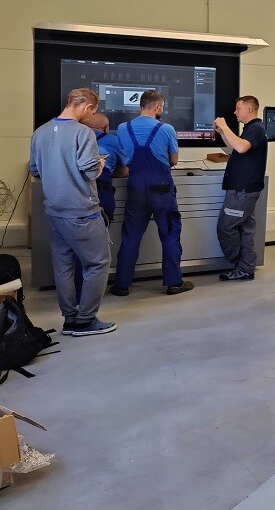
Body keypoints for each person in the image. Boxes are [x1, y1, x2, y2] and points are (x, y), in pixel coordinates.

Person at [28, 88, 117, 336]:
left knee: (63, 267)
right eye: (93, 112)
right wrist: (100, 163)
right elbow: (90, 171)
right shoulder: (83, 132)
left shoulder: (40, 132)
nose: (91, 117)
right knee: (98, 264)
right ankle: (86, 320)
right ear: (87, 107)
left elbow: (35, 171)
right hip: (82, 212)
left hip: (55, 211)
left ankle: (70, 319)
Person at [111, 90, 194, 296]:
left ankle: (121, 285)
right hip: (161, 188)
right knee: (170, 234)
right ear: (157, 106)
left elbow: (123, 159)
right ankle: (174, 283)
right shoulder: (166, 128)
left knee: (131, 236)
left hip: (135, 186)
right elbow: (174, 160)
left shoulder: (123, 128)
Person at [72, 113, 127, 301]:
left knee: (74, 246)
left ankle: (74, 293)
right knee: (96, 249)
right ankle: (89, 298)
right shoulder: (112, 140)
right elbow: (124, 170)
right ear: (106, 128)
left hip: (73, 195)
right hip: (100, 195)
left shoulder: (73, 138)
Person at [213, 96, 268, 281]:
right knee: (245, 229)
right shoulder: (250, 129)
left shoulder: (256, 128)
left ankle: (241, 263)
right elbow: (235, 148)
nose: (235, 112)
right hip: (244, 190)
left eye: (238, 108)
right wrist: (222, 132)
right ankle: (246, 268)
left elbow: (242, 147)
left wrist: (225, 125)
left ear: (249, 109)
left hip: (242, 191)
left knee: (226, 227)